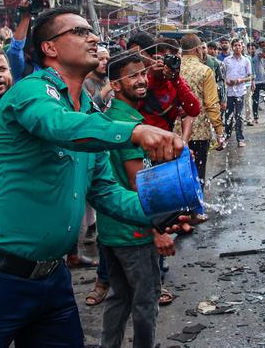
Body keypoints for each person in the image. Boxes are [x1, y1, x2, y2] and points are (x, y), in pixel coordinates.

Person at [0, 8, 185, 347]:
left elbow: (106, 193)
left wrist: (165, 206)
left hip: (52, 280)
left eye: (91, 31)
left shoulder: (87, 110)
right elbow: (57, 126)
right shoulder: (32, 92)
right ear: (50, 48)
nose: (94, 37)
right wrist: (135, 131)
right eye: (81, 32)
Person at [98, 52, 177, 347]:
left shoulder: (111, 117)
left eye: (143, 74)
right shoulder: (129, 125)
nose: (142, 80)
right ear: (115, 85)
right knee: (145, 302)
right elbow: (136, 183)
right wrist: (157, 230)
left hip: (111, 228)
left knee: (119, 297)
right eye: (132, 76)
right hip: (134, 232)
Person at [126, 34, 200, 132]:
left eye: (169, 58)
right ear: (151, 57)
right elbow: (129, 111)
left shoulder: (175, 82)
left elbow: (194, 110)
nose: (163, 62)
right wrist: (150, 76)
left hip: (165, 141)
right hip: (141, 140)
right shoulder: (136, 81)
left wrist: (176, 79)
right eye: (160, 58)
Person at [178, 34, 224, 181]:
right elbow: (211, 104)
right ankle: (197, 203)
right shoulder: (205, 71)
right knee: (197, 175)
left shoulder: (172, 69)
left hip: (175, 132)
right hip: (199, 132)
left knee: (178, 176)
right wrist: (219, 132)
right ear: (198, 50)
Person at [222, 39, 253, 147]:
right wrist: (227, 81)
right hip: (229, 92)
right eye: (235, 45)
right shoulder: (226, 60)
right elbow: (222, 75)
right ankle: (226, 137)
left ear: (242, 47)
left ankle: (240, 138)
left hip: (240, 91)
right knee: (228, 115)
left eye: (239, 45)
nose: (237, 47)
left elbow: (250, 76)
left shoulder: (246, 61)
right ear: (232, 47)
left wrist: (240, 80)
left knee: (239, 116)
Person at [251, 40, 265, 124]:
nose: (264, 44)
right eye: (262, 43)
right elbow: (263, 56)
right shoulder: (258, 52)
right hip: (256, 81)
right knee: (255, 100)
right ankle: (255, 117)